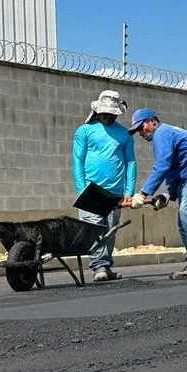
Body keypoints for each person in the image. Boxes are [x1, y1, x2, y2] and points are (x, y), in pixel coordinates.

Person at [128, 107, 187, 280]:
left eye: (141, 127)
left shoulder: (162, 133)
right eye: (137, 131)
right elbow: (174, 169)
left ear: (152, 122)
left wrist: (142, 193)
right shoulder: (165, 134)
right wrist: (167, 195)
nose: (140, 133)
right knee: (183, 220)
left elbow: (162, 166)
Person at [72, 89, 136, 282]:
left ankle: (106, 266)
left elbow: (131, 162)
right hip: (91, 190)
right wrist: (81, 188)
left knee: (109, 231)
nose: (108, 116)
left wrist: (129, 191)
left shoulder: (125, 134)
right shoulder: (84, 131)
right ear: (98, 111)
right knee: (93, 230)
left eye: (112, 113)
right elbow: (78, 160)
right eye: (105, 113)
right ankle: (99, 266)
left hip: (115, 192)